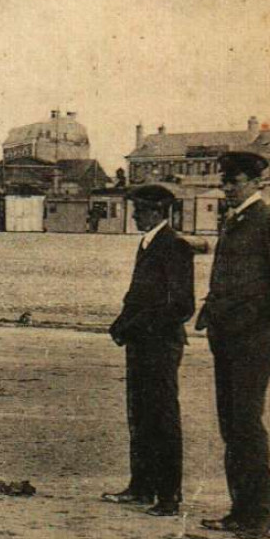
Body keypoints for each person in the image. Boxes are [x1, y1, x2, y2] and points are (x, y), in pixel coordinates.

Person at [194, 151, 270, 539]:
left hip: (252, 340)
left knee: (246, 424)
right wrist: (212, 310)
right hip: (226, 337)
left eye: (236, 182)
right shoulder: (235, 221)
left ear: (256, 183)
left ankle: (260, 515)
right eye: (225, 182)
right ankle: (240, 509)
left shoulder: (269, 221)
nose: (228, 189)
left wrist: (260, 324)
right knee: (231, 424)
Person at [104, 184, 195, 517]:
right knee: (140, 415)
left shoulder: (174, 246)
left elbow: (181, 305)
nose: (135, 215)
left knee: (162, 417)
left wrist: (135, 325)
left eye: (140, 210)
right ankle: (141, 487)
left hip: (160, 344)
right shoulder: (148, 244)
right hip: (142, 343)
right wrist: (121, 323)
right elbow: (138, 295)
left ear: (158, 212)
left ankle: (169, 496)